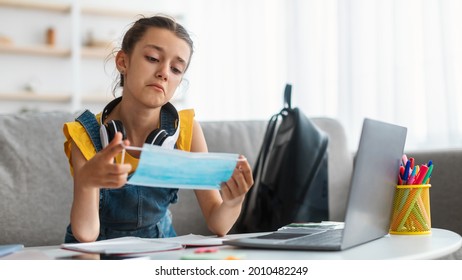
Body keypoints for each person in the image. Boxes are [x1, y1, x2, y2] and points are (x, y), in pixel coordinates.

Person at [62, 15, 254, 243]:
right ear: (123, 61)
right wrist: (86, 183)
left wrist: (234, 202)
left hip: (158, 248)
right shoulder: (84, 133)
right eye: (153, 58)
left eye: (176, 69)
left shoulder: (187, 130)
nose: (164, 72)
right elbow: (86, 235)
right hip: (96, 249)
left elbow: (217, 223)